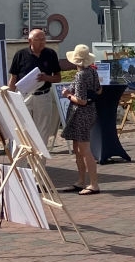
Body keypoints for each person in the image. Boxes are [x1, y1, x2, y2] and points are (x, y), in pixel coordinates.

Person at [8, 29, 63, 151]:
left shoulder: (51, 54)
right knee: (22, 129)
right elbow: (13, 78)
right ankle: (19, 166)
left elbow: (58, 77)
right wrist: (9, 97)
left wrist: (46, 77)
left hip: (43, 95)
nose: (42, 42)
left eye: (44, 39)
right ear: (30, 41)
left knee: (42, 130)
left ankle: (39, 166)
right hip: (24, 95)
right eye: (38, 40)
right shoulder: (20, 55)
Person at [60, 44, 101, 194]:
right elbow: (99, 90)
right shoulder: (92, 71)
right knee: (78, 149)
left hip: (81, 113)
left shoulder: (81, 75)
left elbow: (81, 100)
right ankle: (81, 181)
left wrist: (68, 95)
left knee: (84, 150)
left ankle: (94, 184)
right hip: (89, 112)